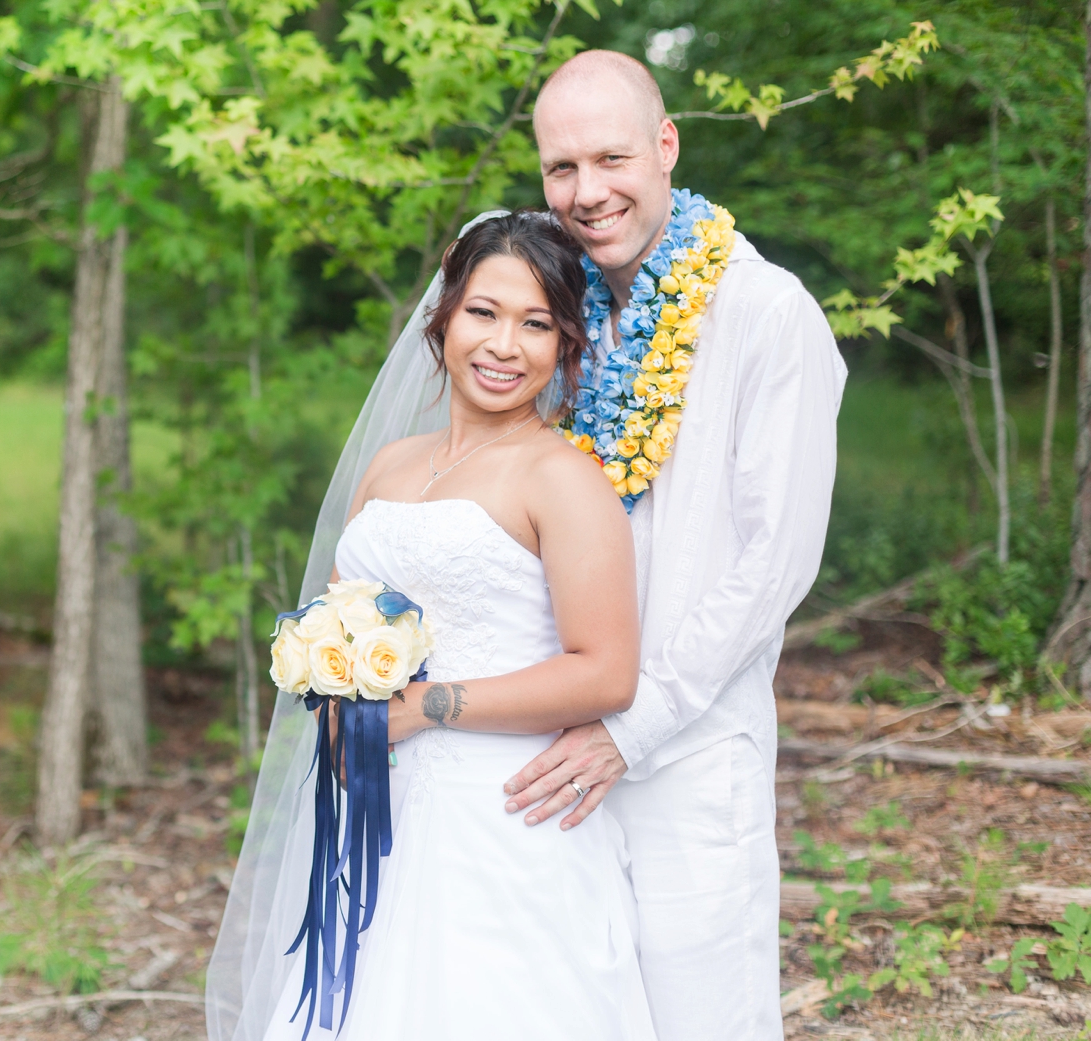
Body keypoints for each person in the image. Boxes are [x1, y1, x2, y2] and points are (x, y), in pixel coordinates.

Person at [497, 51, 845, 1040]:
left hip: (687, 752)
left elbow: (774, 563)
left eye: (610, 158)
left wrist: (630, 728)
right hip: (551, 753)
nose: (586, 192)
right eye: (561, 169)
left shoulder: (766, 314)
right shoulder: (552, 320)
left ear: (666, 145)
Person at [253, 209, 655, 1040]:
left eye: (536, 323)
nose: (505, 345)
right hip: (373, 800)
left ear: (566, 344)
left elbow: (605, 671)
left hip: (501, 816)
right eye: (484, 312)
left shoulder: (562, 478)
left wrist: (425, 707)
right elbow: (340, 614)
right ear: (443, 315)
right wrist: (336, 698)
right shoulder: (390, 464)